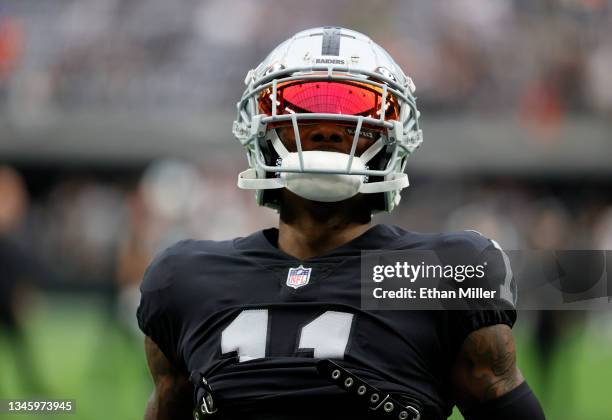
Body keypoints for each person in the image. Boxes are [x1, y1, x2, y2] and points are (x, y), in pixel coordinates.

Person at [137, 27, 545, 420]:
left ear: (393, 137)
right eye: (302, 111)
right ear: (261, 129)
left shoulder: (436, 273)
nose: (328, 131)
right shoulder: (186, 278)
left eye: (355, 115)